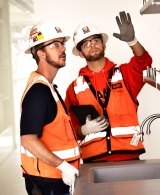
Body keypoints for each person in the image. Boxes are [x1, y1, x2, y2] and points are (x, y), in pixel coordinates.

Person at [65, 11, 153, 163]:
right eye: (85, 44)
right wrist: (83, 130)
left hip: (129, 158)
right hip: (93, 162)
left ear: (104, 45)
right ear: (80, 53)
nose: (92, 45)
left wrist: (132, 41)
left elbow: (145, 63)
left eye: (95, 41)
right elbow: (70, 130)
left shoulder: (125, 74)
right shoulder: (74, 89)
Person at [20, 20, 81, 195]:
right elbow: (28, 140)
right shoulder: (39, 91)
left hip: (56, 180)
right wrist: (63, 166)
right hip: (48, 183)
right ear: (41, 53)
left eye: (62, 44)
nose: (62, 49)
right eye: (55, 45)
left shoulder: (48, 88)